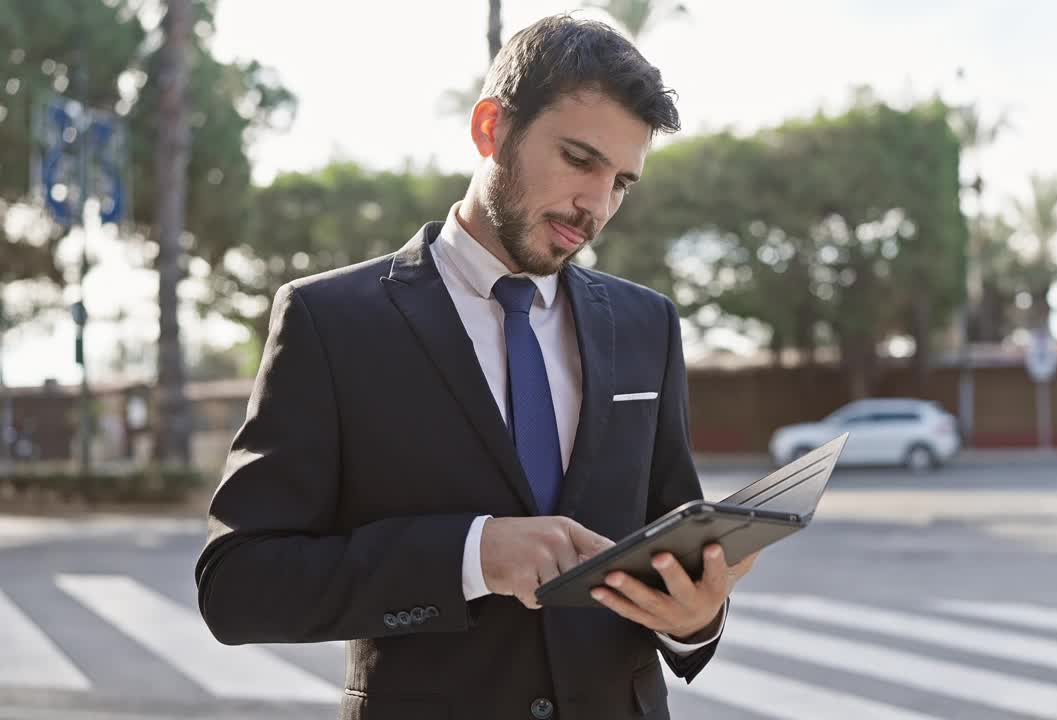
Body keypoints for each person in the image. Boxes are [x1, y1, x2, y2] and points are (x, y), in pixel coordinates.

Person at [194, 14, 757, 720]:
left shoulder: (649, 326)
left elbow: (666, 546)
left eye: (622, 182)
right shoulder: (330, 320)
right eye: (580, 160)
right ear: (491, 128)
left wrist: (695, 618)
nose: (597, 205)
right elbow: (237, 587)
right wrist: (472, 556)